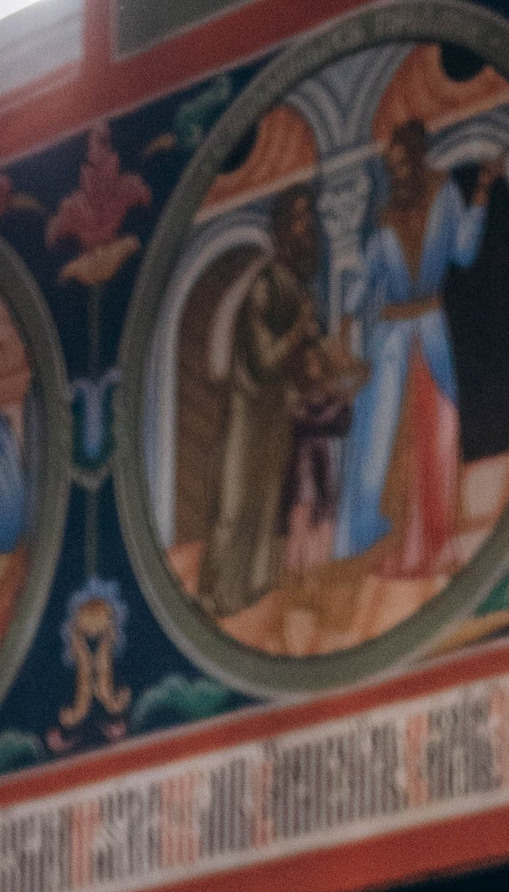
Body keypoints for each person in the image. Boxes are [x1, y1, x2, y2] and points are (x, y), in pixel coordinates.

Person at [334, 125, 499, 576]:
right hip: (387, 340)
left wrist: (482, 192)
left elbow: (464, 252)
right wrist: (348, 318)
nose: (396, 174)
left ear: (418, 157)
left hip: (429, 330)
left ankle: (434, 542)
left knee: (437, 430)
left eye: (402, 164)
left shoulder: (443, 194)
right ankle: (383, 544)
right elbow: (368, 277)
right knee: (383, 439)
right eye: (391, 168)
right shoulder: (385, 217)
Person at [199, 190, 361, 621]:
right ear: (281, 232)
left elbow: (314, 355)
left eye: (310, 221)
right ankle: (217, 597)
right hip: (250, 416)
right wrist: (297, 333)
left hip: (278, 419)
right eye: (299, 221)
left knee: (269, 505)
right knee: (235, 507)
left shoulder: (298, 288)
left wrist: (335, 360)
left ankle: (253, 590)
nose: (308, 231)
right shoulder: (264, 288)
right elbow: (264, 358)